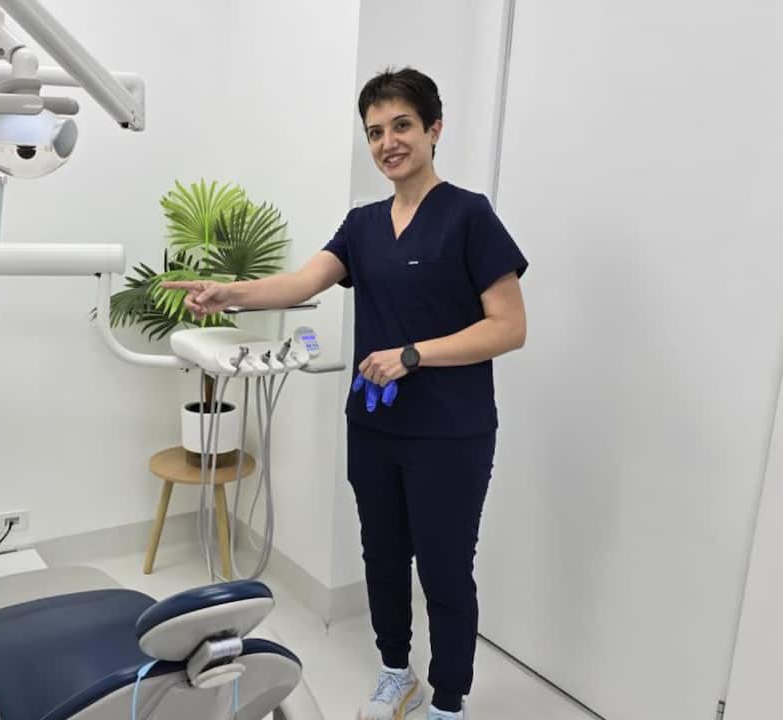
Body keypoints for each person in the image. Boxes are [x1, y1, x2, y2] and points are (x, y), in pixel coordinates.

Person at [163, 67, 527, 720]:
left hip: (451, 431)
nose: (388, 142)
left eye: (402, 126)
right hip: (374, 425)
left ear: (434, 129)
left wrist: (414, 356)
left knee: (445, 572)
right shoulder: (362, 225)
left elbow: (509, 327)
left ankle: (448, 701)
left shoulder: (468, 216)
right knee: (382, 558)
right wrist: (229, 293)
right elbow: (302, 281)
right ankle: (396, 673)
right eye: (376, 132)